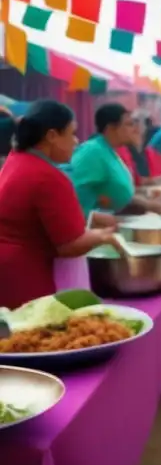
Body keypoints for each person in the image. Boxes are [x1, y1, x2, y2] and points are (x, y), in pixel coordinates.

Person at [0, 101, 117, 309]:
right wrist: (104, 236)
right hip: (27, 280)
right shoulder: (48, 177)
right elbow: (70, 245)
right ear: (52, 136)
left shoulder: (16, 158)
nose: (76, 141)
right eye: (71, 133)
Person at [70, 103, 161, 218]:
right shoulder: (93, 152)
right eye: (129, 124)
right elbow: (72, 191)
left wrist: (146, 201)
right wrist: (95, 218)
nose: (135, 129)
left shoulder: (110, 151)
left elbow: (116, 191)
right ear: (111, 129)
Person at [116, 110, 161, 187]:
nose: (136, 127)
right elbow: (131, 181)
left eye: (137, 122)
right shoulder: (118, 153)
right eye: (130, 124)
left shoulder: (153, 154)